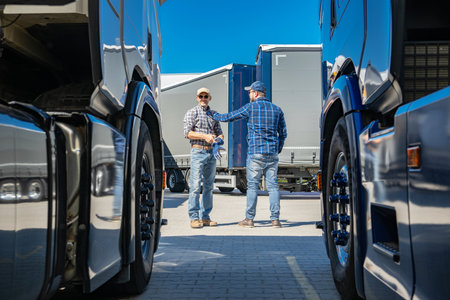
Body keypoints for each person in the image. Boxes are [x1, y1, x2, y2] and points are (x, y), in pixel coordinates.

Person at [208, 81, 287, 228]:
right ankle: (275, 220)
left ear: (255, 93)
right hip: (272, 154)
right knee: (273, 187)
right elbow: (283, 133)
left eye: (250, 92)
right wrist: (278, 148)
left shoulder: (251, 107)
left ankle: (249, 220)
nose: (249, 95)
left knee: (252, 187)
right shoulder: (277, 110)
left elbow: (231, 116)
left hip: (256, 153)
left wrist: (215, 115)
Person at [184, 87, 224, 229]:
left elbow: (220, 134)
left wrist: (217, 140)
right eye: (200, 96)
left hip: (211, 154)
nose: (203, 98)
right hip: (198, 152)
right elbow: (187, 133)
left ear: (209, 98)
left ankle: (205, 217)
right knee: (195, 186)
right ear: (197, 98)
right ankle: (194, 218)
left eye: (205, 96)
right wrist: (205, 136)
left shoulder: (214, 115)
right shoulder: (191, 113)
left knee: (208, 187)